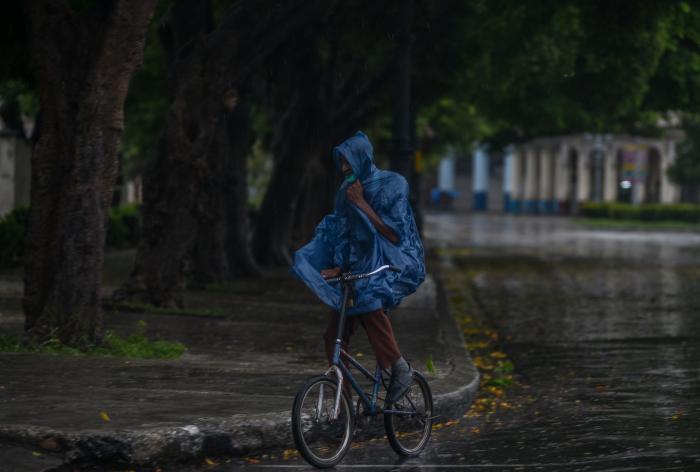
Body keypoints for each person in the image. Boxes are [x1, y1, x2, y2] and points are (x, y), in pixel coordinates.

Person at [290, 131, 425, 403]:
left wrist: (362, 203)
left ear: (363, 158)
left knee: (368, 302)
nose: (344, 170)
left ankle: (399, 366)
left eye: (348, 163)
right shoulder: (344, 193)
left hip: (395, 260)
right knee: (333, 335)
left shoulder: (392, 184)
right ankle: (344, 401)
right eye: (341, 164)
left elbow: (395, 235)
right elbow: (344, 234)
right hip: (360, 264)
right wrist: (339, 267)